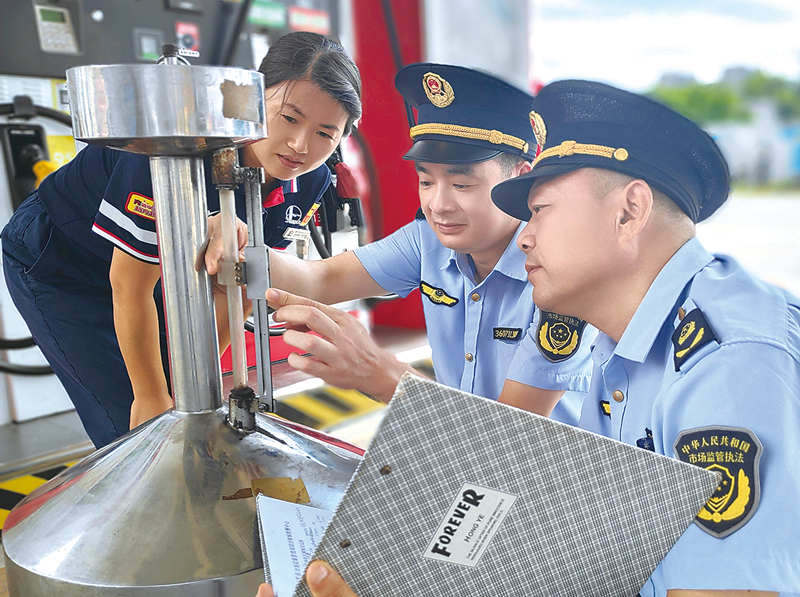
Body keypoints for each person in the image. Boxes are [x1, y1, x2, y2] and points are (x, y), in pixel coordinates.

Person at [257, 79, 800, 597]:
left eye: (540, 211)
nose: (526, 237)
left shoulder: (728, 365)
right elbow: (596, 541)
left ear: (629, 212)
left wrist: (382, 376)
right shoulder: (625, 336)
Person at [1, 31, 362, 448]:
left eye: (325, 133)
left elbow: (241, 283)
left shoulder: (311, 180)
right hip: (62, 259)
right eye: (290, 118)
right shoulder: (170, 147)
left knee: (186, 408)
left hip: (157, 271)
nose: (300, 145)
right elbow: (129, 286)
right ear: (254, 100)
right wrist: (152, 396)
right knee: (135, 430)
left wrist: (193, 382)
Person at [212, 63, 594, 421]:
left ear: (520, 178)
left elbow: (511, 431)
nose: (438, 205)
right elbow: (321, 279)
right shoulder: (429, 242)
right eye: (426, 181)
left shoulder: (563, 277)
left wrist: (380, 373)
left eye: (462, 184)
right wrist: (231, 243)